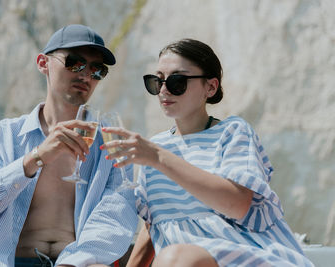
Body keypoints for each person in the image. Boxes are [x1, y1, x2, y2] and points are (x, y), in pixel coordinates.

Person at [100, 38, 314, 267]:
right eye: (157, 81)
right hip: (179, 261)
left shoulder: (232, 132)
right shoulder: (155, 146)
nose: (163, 90)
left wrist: (159, 157)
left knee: (175, 258)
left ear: (210, 87)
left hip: (245, 257)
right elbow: (154, 225)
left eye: (177, 81)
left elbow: (237, 204)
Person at [0, 24, 138, 267]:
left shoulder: (110, 140)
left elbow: (115, 218)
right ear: (43, 63)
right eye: (75, 62)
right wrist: (34, 159)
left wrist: (73, 262)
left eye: (97, 70)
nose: (86, 75)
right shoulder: (4, 136)